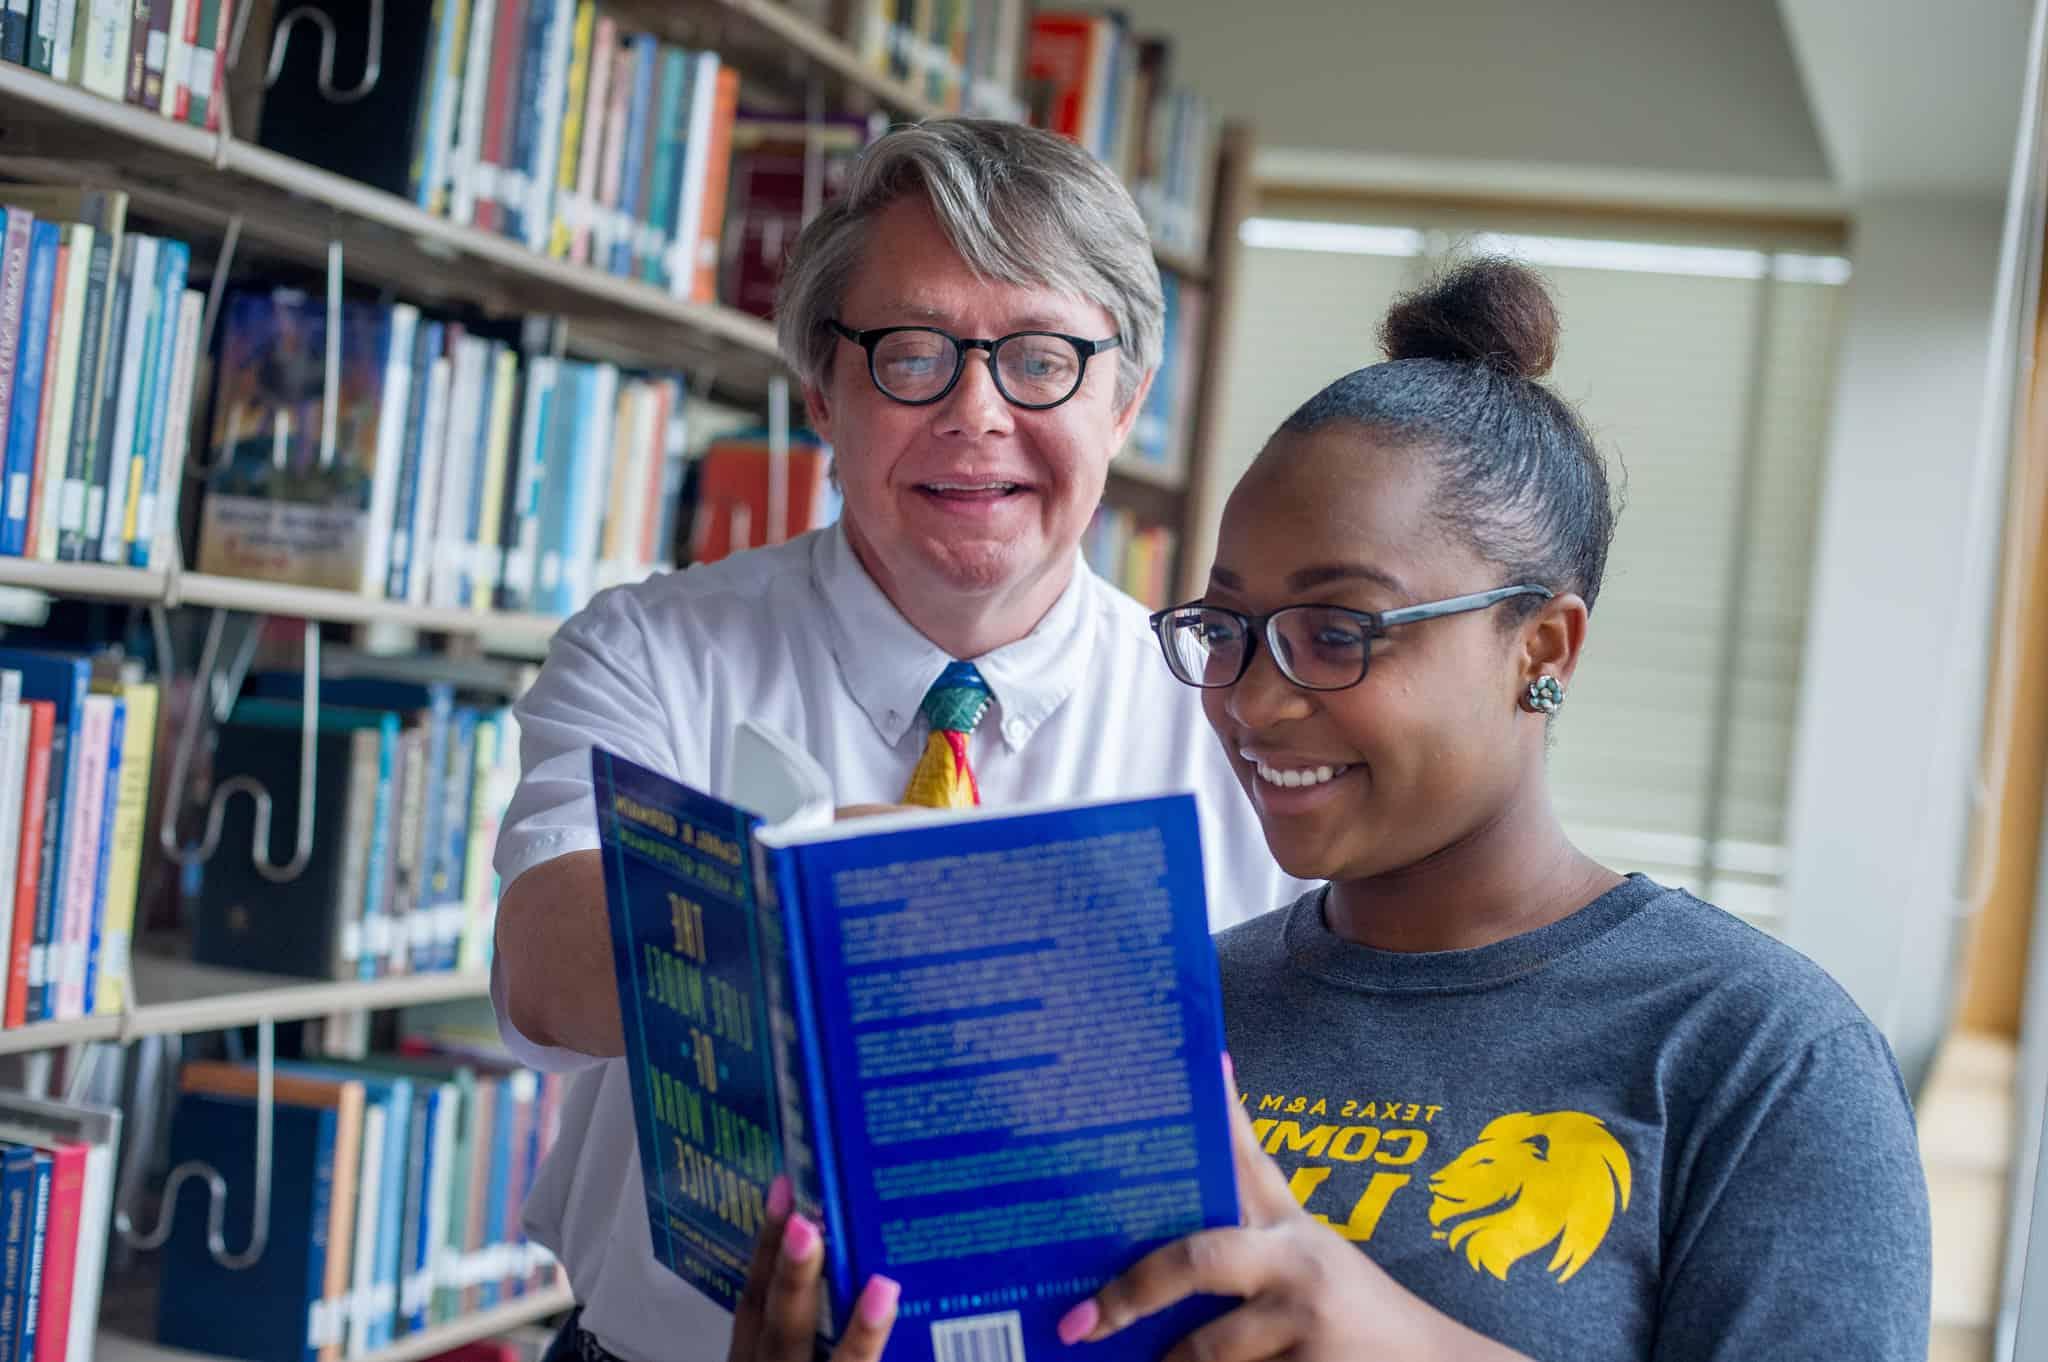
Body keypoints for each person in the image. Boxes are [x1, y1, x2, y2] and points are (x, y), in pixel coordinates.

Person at [735, 258, 1932, 1361]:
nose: (1254, 699)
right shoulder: (1160, 1017)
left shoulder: (1757, 1054)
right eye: (1226, 629)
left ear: (1541, 648)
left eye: (1338, 632)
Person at [488, 116, 1305, 1362]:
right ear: (823, 389)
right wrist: (878, 894)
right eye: (912, 355)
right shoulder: (651, 648)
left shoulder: (1232, 716)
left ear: (1128, 399)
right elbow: (548, 967)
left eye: (1041, 358)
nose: (976, 414)